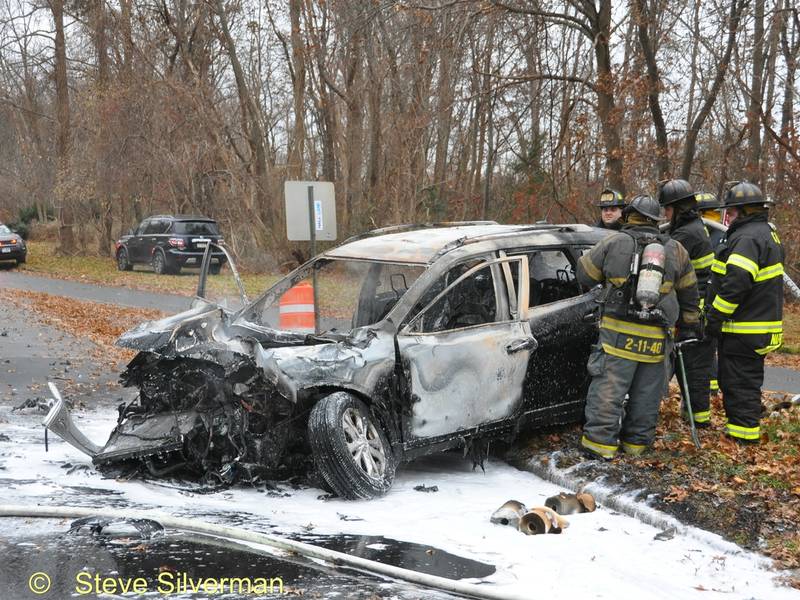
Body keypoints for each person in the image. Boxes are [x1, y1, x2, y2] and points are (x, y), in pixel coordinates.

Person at [577, 195, 700, 459]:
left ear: (628, 215)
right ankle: (636, 447)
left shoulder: (614, 241)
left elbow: (584, 274)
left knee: (607, 394)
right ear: (657, 220)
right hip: (656, 340)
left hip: (617, 337)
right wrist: (690, 325)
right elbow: (690, 293)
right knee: (647, 397)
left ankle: (600, 447)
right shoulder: (676, 250)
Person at [705, 181, 784, 444]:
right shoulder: (764, 232)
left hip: (744, 328)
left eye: (733, 211)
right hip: (756, 326)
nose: (729, 217)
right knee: (742, 381)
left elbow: (735, 285)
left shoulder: (747, 238)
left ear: (743, 211)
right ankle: (740, 431)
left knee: (739, 384)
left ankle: (743, 439)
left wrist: (714, 317)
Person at [658, 179, 715, 427]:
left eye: (668, 209)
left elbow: (666, 261)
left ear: (679, 208)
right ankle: (695, 418)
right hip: (696, 307)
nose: (665, 214)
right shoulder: (693, 226)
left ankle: (699, 422)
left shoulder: (685, 234)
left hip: (693, 310)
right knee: (692, 366)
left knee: (692, 368)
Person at [695, 191, 725, 394]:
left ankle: (710, 390)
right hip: (711, 302)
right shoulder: (720, 235)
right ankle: (711, 390)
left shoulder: (716, 236)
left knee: (704, 351)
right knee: (707, 350)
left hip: (706, 302)